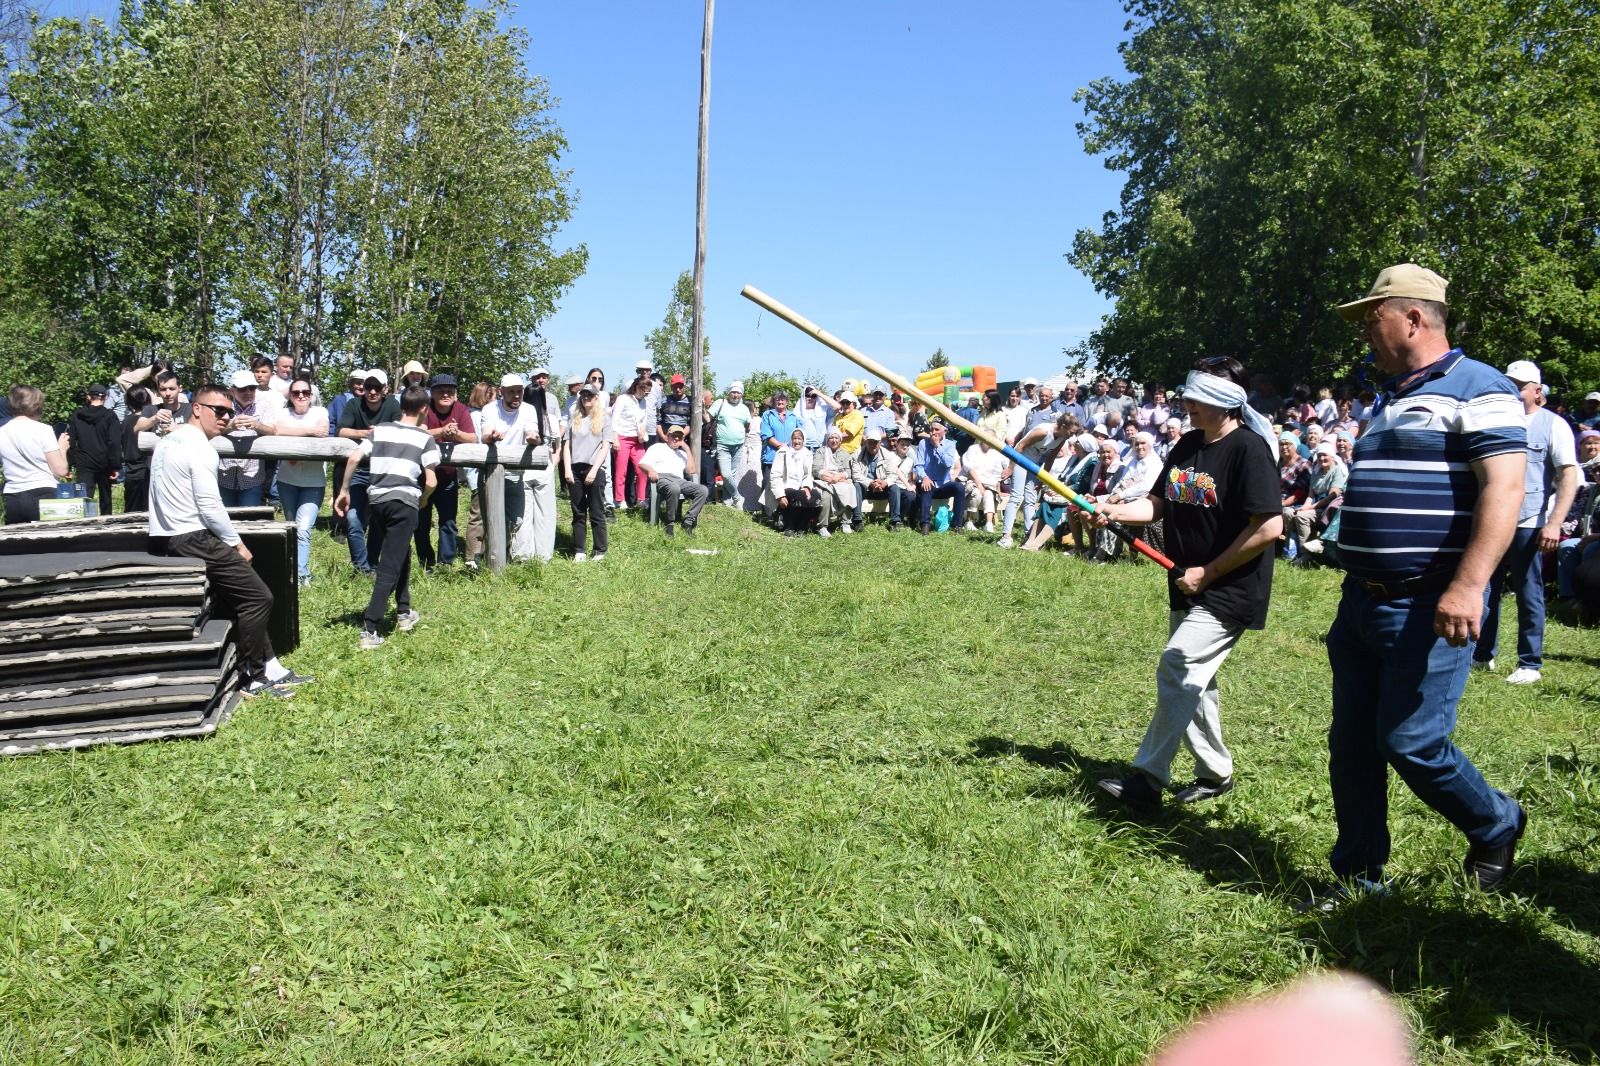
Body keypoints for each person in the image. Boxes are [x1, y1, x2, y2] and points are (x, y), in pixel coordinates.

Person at [1322, 263, 1528, 900]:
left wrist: (1469, 586)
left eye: (1371, 319)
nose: (1364, 334)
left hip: (1428, 603)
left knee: (1411, 740)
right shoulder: (1393, 396)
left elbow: (1506, 488)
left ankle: (1495, 821)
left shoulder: (1480, 387)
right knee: (1352, 744)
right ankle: (1360, 874)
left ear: (1413, 317)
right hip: (1363, 601)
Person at [1091, 355, 1281, 815]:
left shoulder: (1248, 450)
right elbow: (1157, 505)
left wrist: (1210, 571)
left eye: (1195, 397)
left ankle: (1146, 782)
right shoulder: (1189, 445)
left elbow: (1269, 526)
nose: (1187, 404)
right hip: (1185, 580)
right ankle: (1216, 773)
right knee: (1196, 680)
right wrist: (1111, 509)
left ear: (1223, 401)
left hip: (1229, 586)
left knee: (1178, 663)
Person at [148, 384, 309, 698]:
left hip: (168, 536)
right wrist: (236, 544)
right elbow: (209, 505)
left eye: (229, 412)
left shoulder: (169, 441)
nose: (224, 417)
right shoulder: (200, 448)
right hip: (190, 536)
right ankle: (251, 676)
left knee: (245, 590)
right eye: (217, 410)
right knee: (258, 598)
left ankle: (271, 664)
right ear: (196, 408)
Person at [1472, 359, 1577, 686]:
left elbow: (1568, 475)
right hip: (1491, 521)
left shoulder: (1552, 424)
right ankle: (1481, 654)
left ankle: (1529, 663)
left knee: (1528, 592)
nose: (1512, 391)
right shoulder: (1494, 422)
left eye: (1519, 386)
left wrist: (1554, 523)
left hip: (1529, 522)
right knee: (1484, 590)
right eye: (1509, 384)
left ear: (1537, 391)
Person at [335, 386, 439, 649]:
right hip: (404, 502)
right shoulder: (425, 438)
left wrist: (344, 490)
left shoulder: (379, 430)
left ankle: (404, 611)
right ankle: (370, 629)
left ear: (400, 405)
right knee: (388, 566)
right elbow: (431, 480)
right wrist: (424, 498)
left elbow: (354, 457)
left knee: (400, 552)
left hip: (377, 500)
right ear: (424, 410)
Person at [258, 375, 327, 585]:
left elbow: (322, 431)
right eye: (296, 392)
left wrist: (294, 444)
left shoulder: (320, 411)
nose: (300, 396)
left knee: (304, 528)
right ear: (290, 395)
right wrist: (308, 433)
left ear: (311, 394)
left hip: (314, 481)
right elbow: (278, 430)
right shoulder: (283, 413)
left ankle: (301, 575)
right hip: (287, 480)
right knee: (291, 528)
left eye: (305, 392)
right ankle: (289, 569)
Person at [335, 369, 401, 574]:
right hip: (357, 471)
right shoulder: (353, 404)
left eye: (377, 387)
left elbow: (399, 429)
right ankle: (362, 567)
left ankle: (372, 564)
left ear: (385, 389)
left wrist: (380, 432)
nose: (372, 391)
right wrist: (364, 433)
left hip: (382, 471)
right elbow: (342, 430)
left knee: (378, 520)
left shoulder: (392, 405)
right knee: (353, 518)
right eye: (368, 387)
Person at [476, 373, 544, 563]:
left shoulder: (529, 409)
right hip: (490, 473)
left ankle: (503, 554)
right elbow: (485, 434)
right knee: (491, 518)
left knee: (516, 520)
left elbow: (533, 432)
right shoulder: (490, 409)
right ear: (501, 392)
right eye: (512, 392)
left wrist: (533, 438)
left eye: (519, 391)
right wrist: (493, 437)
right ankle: (492, 559)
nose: (516, 396)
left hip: (516, 473)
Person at [416, 373, 477, 569]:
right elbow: (419, 432)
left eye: (450, 391)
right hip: (422, 476)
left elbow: (472, 438)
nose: (445, 394)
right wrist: (442, 432)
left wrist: (456, 433)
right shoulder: (424, 408)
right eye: (440, 391)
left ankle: (445, 564)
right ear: (432, 393)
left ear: (456, 394)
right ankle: (426, 564)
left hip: (449, 477)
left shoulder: (461, 409)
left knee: (448, 522)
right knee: (421, 523)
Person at [513, 369, 563, 562]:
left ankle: (522, 555)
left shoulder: (521, 418)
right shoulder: (550, 419)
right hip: (545, 470)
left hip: (523, 470)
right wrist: (553, 464)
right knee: (545, 515)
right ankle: (544, 555)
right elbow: (558, 446)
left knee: (523, 514)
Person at [0, 385, 69, 524]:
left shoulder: (2, 432)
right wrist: (63, 448)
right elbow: (60, 470)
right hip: (43, 493)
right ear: (36, 405)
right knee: (48, 542)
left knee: (17, 543)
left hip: (13, 496)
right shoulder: (43, 430)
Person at [563, 382, 613, 561]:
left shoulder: (605, 418)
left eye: (590, 395)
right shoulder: (573, 418)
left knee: (597, 511)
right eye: (583, 395)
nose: (586, 398)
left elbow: (605, 446)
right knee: (578, 512)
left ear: (596, 398)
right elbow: (567, 445)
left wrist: (594, 470)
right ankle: (579, 550)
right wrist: (567, 469)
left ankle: (600, 550)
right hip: (575, 469)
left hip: (595, 468)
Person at [641, 424, 708, 536]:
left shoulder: (682, 453)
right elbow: (642, 463)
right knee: (674, 488)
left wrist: (686, 448)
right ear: (668, 436)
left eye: (679, 437)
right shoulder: (657, 447)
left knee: (703, 490)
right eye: (674, 436)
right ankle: (669, 523)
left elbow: (691, 471)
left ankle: (688, 521)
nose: (676, 439)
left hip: (679, 480)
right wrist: (651, 471)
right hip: (662, 477)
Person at [216, 370, 269, 507]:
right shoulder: (222, 405)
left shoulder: (264, 405)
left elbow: (274, 430)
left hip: (251, 477)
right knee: (225, 520)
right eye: (242, 389)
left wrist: (257, 425)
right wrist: (230, 426)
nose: (248, 392)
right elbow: (210, 429)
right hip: (224, 474)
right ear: (232, 390)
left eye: (252, 388)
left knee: (249, 520)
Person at [67, 384, 122, 516]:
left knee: (83, 499)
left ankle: (83, 529)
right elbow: (114, 442)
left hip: (83, 462)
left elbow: (71, 440)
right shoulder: (110, 416)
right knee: (106, 498)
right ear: (106, 397)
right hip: (104, 463)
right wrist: (115, 465)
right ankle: (107, 527)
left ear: (88, 397)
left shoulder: (77, 415)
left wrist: (69, 464)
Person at [1288, 442, 1347, 563]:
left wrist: (1308, 508)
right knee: (1288, 512)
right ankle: (1291, 550)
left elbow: (1332, 496)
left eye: (1325, 455)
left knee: (1302, 517)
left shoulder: (1337, 471)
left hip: (1327, 509)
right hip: (1314, 506)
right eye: (1319, 455)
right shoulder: (1316, 471)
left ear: (1332, 456)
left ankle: (1306, 554)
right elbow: (1311, 494)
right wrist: (1305, 506)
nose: (1321, 458)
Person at [911, 420, 966, 534]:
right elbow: (918, 465)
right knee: (926, 486)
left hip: (943, 484)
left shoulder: (950, 444)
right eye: (932, 429)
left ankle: (957, 525)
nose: (933, 432)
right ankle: (925, 525)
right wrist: (925, 477)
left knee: (959, 487)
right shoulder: (923, 443)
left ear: (944, 431)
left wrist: (937, 446)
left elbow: (948, 463)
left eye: (937, 430)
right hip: (928, 481)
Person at [708, 381, 752, 509]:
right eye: (733, 392)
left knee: (731, 475)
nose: (735, 395)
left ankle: (727, 503)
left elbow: (747, 425)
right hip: (722, 445)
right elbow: (708, 417)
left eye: (738, 392)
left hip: (738, 445)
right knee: (726, 474)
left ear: (741, 394)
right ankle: (738, 498)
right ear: (729, 392)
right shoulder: (720, 403)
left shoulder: (744, 408)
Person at [760, 392, 803, 521]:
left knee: (785, 485)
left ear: (787, 402)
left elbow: (799, 433)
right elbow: (766, 435)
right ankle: (767, 514)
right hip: (771, 456)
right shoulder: (767, 415)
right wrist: (781, 446)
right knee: (769, 483)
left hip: (789, 457)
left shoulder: (793, 416)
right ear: (774, 401)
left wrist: (791, 447)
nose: (780, 401)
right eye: (777, 399)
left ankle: (782, 514)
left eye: (783, 399)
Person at [611, 375, 652, 510]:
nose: (647, 394)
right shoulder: (623, 399)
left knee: (642, 469)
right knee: (621, 471)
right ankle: (619, 499)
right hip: (622, 438)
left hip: (637, 440)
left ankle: (641, 500)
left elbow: (643, 421)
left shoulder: (644, 402)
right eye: (645, 391)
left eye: (648, 392)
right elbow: (614, 419)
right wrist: (615, 438)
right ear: (637, 387)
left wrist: (642, 432)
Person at [770, 427, 818, 536]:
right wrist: (780, 495)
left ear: (803, 440)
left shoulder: (808, 454)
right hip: (785, 486)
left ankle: (802, 526)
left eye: (799, 439)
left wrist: (806, 487)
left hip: (801, 486)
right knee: (796, 495)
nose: (797, 441)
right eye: (794, 438)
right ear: (791, 439)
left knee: (814, 496)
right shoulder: (782, 452)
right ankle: (789, 526)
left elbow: (808, 474)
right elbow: (775, 475)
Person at [812, 427, 859, 537]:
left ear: (840, 440)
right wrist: (828, 477)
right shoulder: (821, 451)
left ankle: (846, 522)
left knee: (850, 489)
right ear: (827, 439)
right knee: (826, 496)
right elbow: (816, 469)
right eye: (831, 438)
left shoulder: (845, 453)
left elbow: (848, 472)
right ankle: (822, 526)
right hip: (824, 480)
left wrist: (839, 477)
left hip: (839, 480)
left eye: (836, 438)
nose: (834, 440)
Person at [963, 437, 1008, 533]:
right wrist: (979, 484)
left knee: (989, 494)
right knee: (976, 492)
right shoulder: (973, 449)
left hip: (991, 484)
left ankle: (988, 524)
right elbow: (969, 469)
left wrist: (999, 490)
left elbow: (1007, 467)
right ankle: (969, 521)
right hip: (974, 481)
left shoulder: (998, 452)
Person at [118, 386, 152, 512]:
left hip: (131, 471)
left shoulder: (126, 422)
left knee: (131, 514)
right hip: (148, 470)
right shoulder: (151, 421)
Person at [656, 373, 692, 442]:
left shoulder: (690, 401)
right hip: (666, 438)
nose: (678, 389)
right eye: (675, 387)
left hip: (682, 439)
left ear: (684, 387)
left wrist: (681, 436)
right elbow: (658, 422)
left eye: (680, 387)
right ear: (671, 387)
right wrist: (663, 437)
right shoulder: (664, 400)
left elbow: (691, 424)